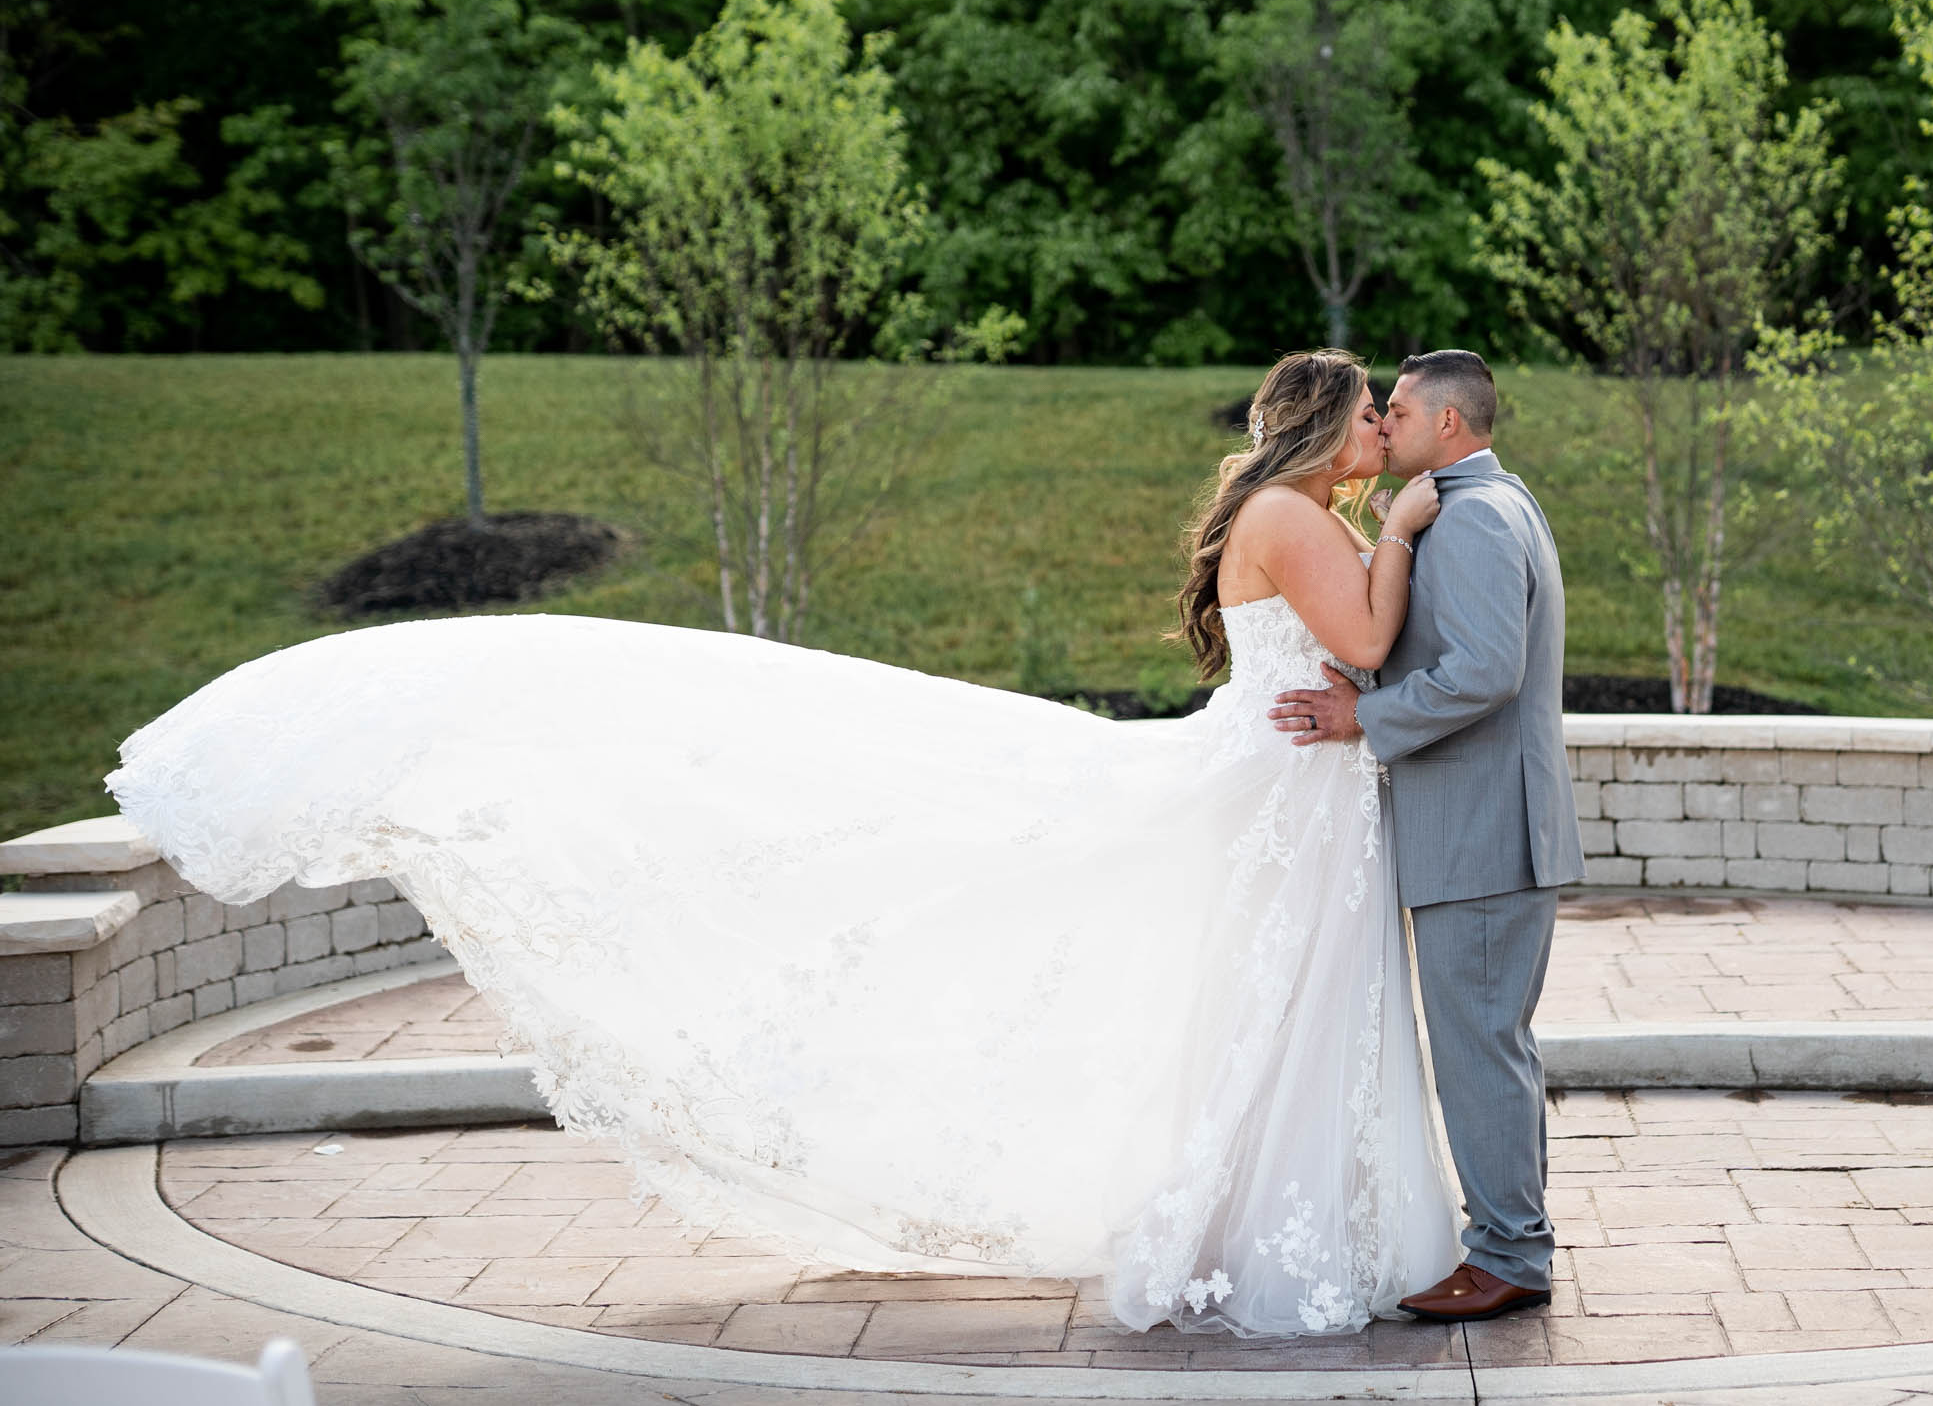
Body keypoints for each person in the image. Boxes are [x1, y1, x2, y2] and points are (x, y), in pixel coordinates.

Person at [104, 348, 1467, 1339]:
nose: (1383, 428)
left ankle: (1281, 1223)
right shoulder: (1304, 515)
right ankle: (1268, 1240)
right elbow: (1360, 642)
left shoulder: (1303, 511)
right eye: (1369, 411)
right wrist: (1407, 530)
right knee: (1274, 1009)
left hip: (1301, 793)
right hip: (1280, 794)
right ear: (1321, 426)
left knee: (1285, 1014)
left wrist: (1376, 587)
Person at [1271, 349, 1581, 1323]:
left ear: (1448, 425)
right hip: (1477, 832)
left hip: (1483, 838)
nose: (1382, 424)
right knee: (1487, 1044)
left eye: (1396, 411)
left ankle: (1508, 1258)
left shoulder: (1479, 518)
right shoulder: (1486, 506)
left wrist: (1364, 717)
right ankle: (1509, 1244)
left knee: (1478, 1050)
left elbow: (1487, 669)